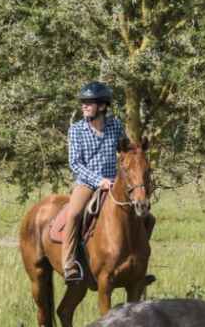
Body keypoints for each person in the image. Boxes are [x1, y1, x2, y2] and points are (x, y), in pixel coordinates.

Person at [62, 81, 125, 282]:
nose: (84, 106)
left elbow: (124, 151)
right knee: (74, 214)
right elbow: (75, 163)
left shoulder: (115, 125)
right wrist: (100, 181)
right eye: (83, 102)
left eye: (89, 102)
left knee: (146, 217)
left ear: (102, 106)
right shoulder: (76, 130)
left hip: (115, 183)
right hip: (87, 183)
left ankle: (138, 262)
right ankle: (69, 263)